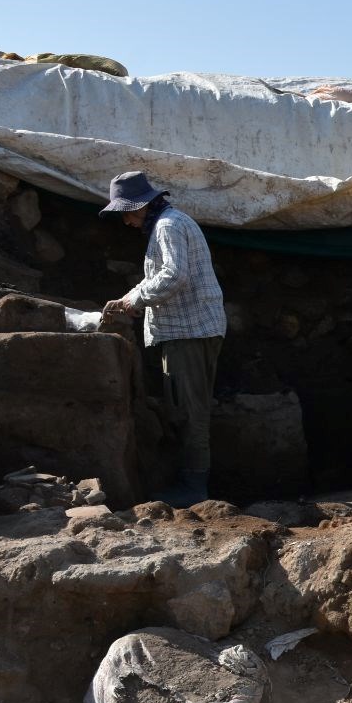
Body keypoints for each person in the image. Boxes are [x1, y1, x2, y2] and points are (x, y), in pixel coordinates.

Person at [99, 171, 226, 508]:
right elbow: (163, 277)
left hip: (190, 331)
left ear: (141, 206)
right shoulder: (169, 223)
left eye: (126, 213)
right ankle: (191, 483)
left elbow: (173, 275)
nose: (126, 221)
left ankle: (194, 489)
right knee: (186, 409)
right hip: (190, 329)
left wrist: (134, 301)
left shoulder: (167, 226)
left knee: (190, 411)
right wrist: (131, 298)